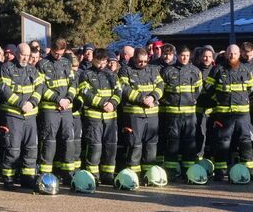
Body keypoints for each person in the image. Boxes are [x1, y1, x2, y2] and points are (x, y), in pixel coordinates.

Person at [201, 43, 253, 182]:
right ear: (226, 54)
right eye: (230, 53)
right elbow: (208, 88)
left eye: (235, 53)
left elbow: (251, 88)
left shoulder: (246, 69)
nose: (232, 56)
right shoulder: (217, 69)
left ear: (239, 54)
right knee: (223, 143)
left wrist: (242, 99)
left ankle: (250, 170)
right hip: (224, 114)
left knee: (245, 142)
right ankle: (220, 171)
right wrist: (219, 99)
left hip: (243, 114)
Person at [0, 43, 44, 189]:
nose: (25, 58)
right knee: (12, 148)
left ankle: (27, 177)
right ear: (17, 53)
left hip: (30, 115)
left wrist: (32, 103)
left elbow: (39, 87)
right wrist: (20, 103)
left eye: (28, 55)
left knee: (31, 148)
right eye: (23, 55)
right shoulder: (6, 68)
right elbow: (4, 89)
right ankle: (9, 177)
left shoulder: (33, 70)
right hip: (13, 115)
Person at [118, 47, 164, 182]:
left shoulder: (153, 69)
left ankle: (149, 174)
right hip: (134, 114)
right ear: (134, 59)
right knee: (135, 145)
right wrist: (141, 99)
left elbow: (161, 85)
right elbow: (124, 88)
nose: (142, 64)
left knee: (151, 145)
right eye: (140, 62)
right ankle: (133, 176)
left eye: (145, 61)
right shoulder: (125, 70)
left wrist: (153, 97)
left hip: (152, 113)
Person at [36, 37, 77, 183]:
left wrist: (69, 99)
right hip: (50, 109)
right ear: (51, 49)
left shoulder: (67, 62)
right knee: (49, 140)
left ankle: (67, 172)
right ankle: (46, 173)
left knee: (68, 140)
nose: (58, 56)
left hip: (66, 108)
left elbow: (73, 83)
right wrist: (57, 99)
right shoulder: (42, 64)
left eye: (61, 53)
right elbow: (41, 87)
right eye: (56, 53)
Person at [78, 48, 121, 185]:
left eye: (104, 62)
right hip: (94, 117)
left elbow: (118, 91)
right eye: (98, 62)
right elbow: (85, 92)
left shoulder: (112, 75)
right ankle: (93, 175)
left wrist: (113, 103)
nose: (102, 65)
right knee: (94, 146)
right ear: (93, 60)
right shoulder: (86, 74)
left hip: (110, 117)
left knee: (110, 146)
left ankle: (107, 174)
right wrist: (103, 103)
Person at [159, 44, 201, 178]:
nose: (185, 58)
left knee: (189, 142)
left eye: (187, 56)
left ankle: (188, 171)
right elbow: (161, 90)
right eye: (183, 55)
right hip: (172, 114)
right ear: (177, 55)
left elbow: (198, 90)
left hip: (189, 114)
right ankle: (171, 171)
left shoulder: (195, 71)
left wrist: (193, 99)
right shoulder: (168, 71)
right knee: (172, 142)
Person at [194, 45, 216, 159]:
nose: (207, 59)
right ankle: (199, 160)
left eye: (209, 56)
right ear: (200, 57)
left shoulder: (217, 71)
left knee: (212, 137)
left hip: (213, 111)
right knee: (199, 136)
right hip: (198, 110)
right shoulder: (194, 70)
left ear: (213, 58)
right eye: (204, 56)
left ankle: (210, 159)